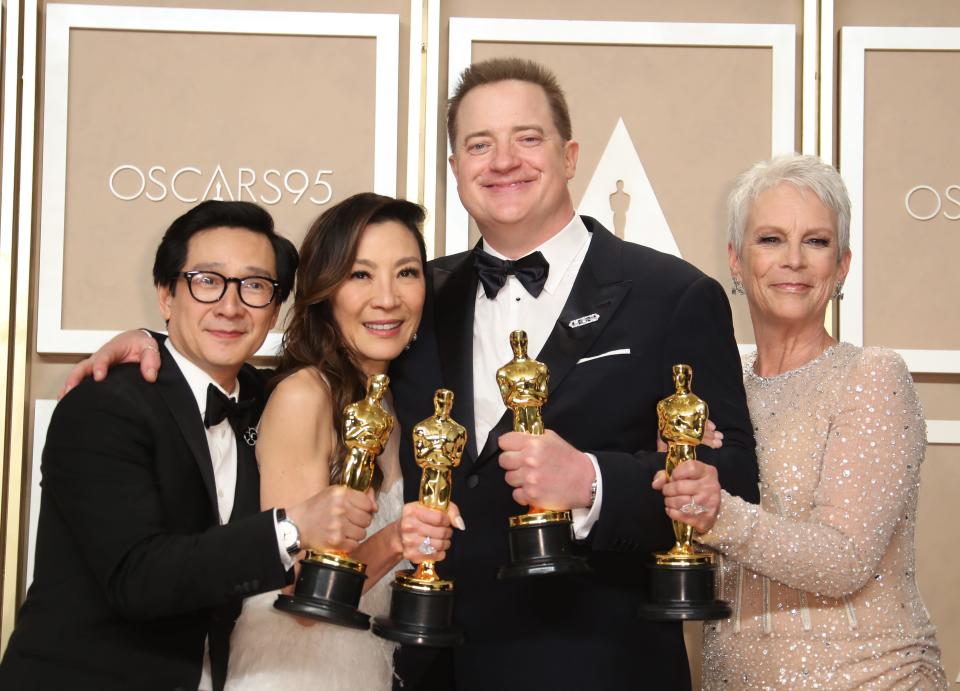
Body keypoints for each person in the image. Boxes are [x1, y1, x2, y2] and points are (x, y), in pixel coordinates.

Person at [61, 59, 760, 690]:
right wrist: (159, 345)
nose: (502, 161)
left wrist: (595, 481)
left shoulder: (673, 295)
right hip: (422, 663)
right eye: (479, 144)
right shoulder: (419, 295)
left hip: (594, 662)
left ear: (570, 154)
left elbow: (735, 482)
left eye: (527, 138)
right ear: (455, 167)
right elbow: (315, 374)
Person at [0, 201, 383, 691]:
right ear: (165, 295)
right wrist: (289, 530)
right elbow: (135, 578)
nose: (230, 305)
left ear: (273, 311)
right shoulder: (104, 405)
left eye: (255, 286)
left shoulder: (270, 402)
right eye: (206, 280)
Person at [657, 153, 947, 689]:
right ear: (736, 262)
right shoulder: (711, 402)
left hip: (870, 678)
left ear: (842, 267)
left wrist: (713, 508)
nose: (793, 259)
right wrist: (667, 482)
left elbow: (844, 560)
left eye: (816, 241)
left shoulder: (871, 376)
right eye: (770, 239)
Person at [224, 192, 458, 691]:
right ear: (325, 289)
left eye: (407, 272)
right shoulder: (304, 395)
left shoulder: (398, 401)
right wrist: (400, 539)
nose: (388, 298)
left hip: (362, 666)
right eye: (360, 274)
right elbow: (300, 593)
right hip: (295, 671)